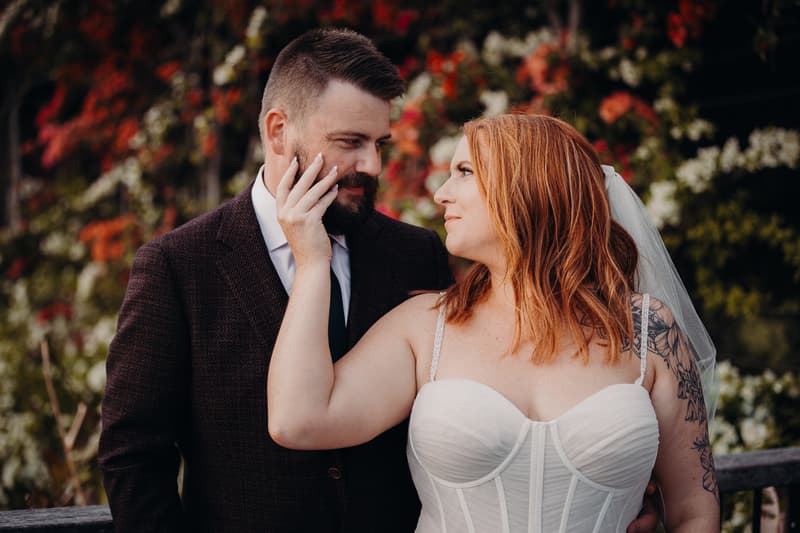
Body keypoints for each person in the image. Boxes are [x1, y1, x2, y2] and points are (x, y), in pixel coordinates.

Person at [268, 113, 720, 532]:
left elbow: (694, 512)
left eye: (464, 172)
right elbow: (299, 420)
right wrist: (312, 263)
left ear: (530, 187)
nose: (442, 193)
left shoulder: (647, 331)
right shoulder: (425, 328)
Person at [98, 28, 453, 532]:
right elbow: (132, 454)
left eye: (379, 143)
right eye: (350, 142)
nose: (371, 165)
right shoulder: (177, 266)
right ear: (279, 130)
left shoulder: (416, 255)